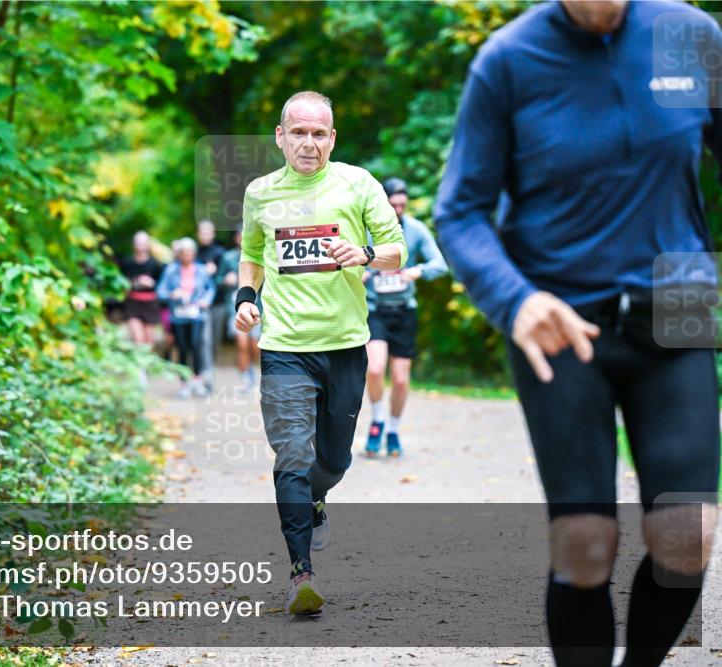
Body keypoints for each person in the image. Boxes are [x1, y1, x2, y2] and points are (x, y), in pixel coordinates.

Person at [434, 2, 720, 665]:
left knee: (689, 534)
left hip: (675, 306)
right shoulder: (508, 61)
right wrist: (517, 300)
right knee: (585, 542)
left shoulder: (690, 35)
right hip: (558, 321)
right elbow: (460, 212)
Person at [235, 90, 407, 615]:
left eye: (318, 133)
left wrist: (365, 253)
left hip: (345, 344)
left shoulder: (358, 184)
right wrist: (246, 297)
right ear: (280, 137)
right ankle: (301, 574)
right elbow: (251, 253)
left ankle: (317, 497)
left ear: (332, 138)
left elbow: (398, 251)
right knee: (292, 454)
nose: (308, 143)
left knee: (332, 460)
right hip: (284, 346)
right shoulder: (261, 193)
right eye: (298, 132)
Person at [362, 177, 448, 458]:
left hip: (404, 311)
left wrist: (417, 271)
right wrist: (359, 272)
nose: (398, 210)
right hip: (375, 309)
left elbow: (439, 264)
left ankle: (394, 430)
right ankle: (377, 421)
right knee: (375, 369)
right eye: (393, 205)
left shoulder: (416, 230)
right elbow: (346, 260)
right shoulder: (367, 230)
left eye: (402, 205)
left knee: (400, 380)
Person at [157, 237, 216, 398]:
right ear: (180, 254)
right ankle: (184, 384)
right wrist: (172, 294)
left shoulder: (201, 270)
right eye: (184, 252)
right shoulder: (171, 270)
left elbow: (210, 288)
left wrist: (206, 301)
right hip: (178, 316)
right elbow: (160, 291)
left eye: (190, 252)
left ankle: (197, 381)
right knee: (182, 348)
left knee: (196, 346)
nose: (187, 255)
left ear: (194, 253)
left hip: (197, 315)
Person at [219, 228, 262, 394]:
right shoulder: (228, 257)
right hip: (234, 307)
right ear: (236, 238)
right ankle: (245, 380)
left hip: (257, 307)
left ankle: (254, 372)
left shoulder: (261, 255)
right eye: (240, 236)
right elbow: (217, 279)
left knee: (255, 345)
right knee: (242, 345)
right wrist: (225, 280)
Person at [120, 232, 164, 351]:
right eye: (138, 243)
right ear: (133, 245)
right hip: (133, 303)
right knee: (138, 341)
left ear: (148, 245)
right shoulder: (127, 263)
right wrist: (136, 282)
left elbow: (162, 285)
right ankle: (139, 362)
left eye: (143, 243)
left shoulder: (156, 264)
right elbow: (122, 283)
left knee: (148, 342)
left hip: (150, 304)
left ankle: (146, 362)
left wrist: (151, 283)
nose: (140, 246)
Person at [196, 220, 227, 391]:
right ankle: (206, 375)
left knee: (214, 341)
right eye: (203, 232)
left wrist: (216, 273)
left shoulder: (220, 253)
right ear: (198, 234)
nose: (205, 235)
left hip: (218, 302)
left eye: (208, 232)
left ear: (213, 234)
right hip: (200, 305)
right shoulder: (193, 253)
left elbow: (225, 277)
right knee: (204, 341)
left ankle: (211, 368)